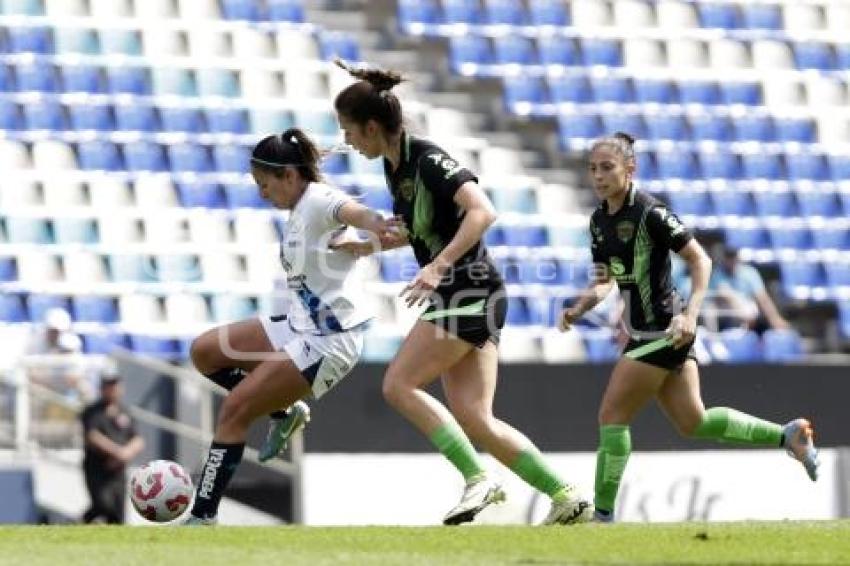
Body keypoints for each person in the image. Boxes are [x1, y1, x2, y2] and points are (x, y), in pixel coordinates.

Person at [330, 59, 592, 526]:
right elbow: (419, 229)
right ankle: (566, 496)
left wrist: (438, 265)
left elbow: (482, 211)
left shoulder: (427, 159)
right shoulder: (396, 169)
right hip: (472, 294)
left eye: (349, 130)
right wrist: (364, 245)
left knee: (398, 384)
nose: (346, 140)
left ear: (371, 127)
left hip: (467, 290)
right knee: (475, 417)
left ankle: (477, 479)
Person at [558, 132, 820, 523]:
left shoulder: (651, 212)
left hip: (662, 328)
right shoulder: (598, 222)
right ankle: (788, 435)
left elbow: (701, 261)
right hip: (653, 331)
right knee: (692, 421)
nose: (598, 176)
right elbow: (604, 280)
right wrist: (581, 305)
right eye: (593, 169)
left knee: (612, 415)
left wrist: (691, 314)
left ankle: (603, 514)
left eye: (607, 167)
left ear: (631, 169)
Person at [183, 128, 394, 525]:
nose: (263, 194)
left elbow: (350, 211)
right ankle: (283, 411)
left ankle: (203, 516)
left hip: (328, 342)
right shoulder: (298, 210)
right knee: (204, 352)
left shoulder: (317, 200)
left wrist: (373, 223)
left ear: (290, 176)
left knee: (235, 409)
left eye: (266, 184)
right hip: (298, 325)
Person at [677, 243, 791, 333]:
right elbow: (717, 295)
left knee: (748, 309)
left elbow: (762, 298)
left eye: (733, 256)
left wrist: (775, 319)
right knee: (713, 305)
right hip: (723, 309)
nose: (731, 260)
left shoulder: (749, 272)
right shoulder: (718, 274)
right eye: (728, 257)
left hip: (746, 307)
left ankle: (744, 335)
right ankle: (715, 341)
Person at [80, 373, 145, 524]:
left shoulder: (125, 411)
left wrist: (127, 453)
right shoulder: (92, 412)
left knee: (118, 513)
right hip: (97, 467)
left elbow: (137, 439)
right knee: (103, 504)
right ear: (103, 389)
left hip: (118, 470)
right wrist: (117, 452)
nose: (114, 390)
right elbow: (93, 436)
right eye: (110, 386)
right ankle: (81, 521)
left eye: (116, 386)